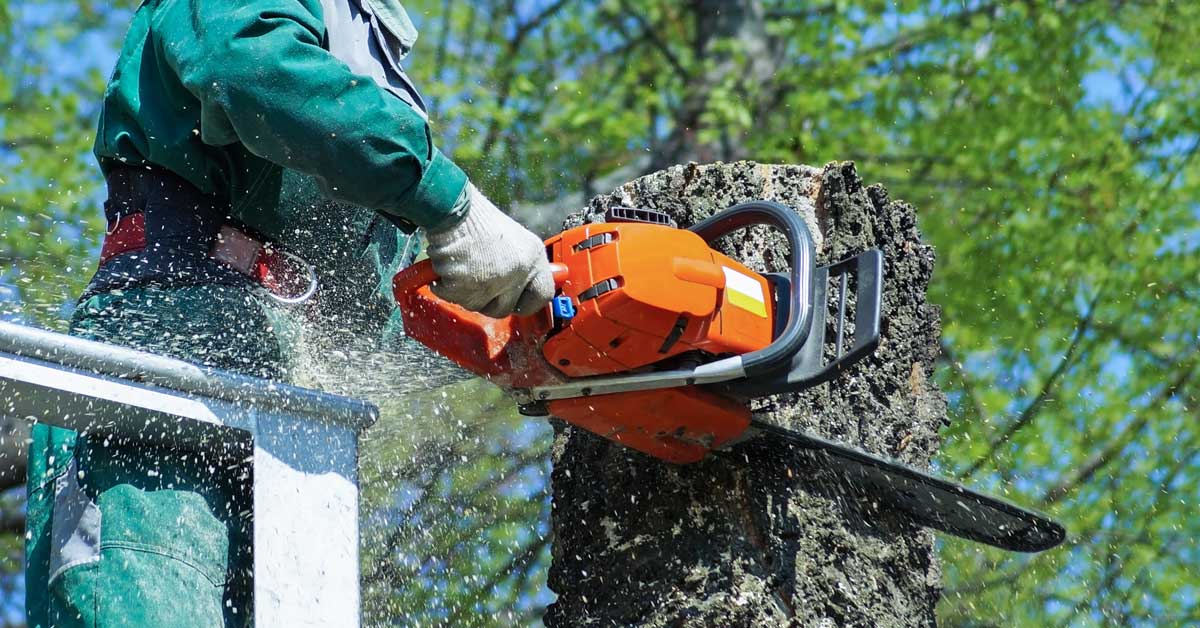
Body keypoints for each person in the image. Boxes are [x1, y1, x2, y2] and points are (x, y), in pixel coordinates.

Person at [24, 1, 555, 625]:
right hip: (166, 351)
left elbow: (374, 299)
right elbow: (249, 65)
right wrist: (447, 200)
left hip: (294, 405)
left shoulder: (370, 38)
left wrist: (523, 339)